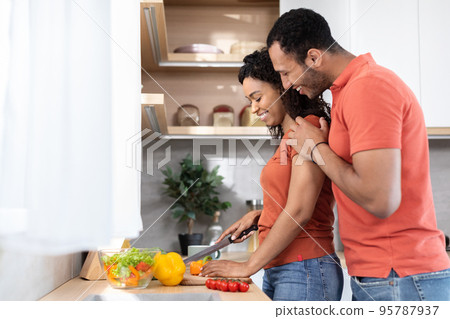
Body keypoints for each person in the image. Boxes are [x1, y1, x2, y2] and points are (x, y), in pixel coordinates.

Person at [266, 8, 450, 301]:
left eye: (286, 73)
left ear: (314, 57)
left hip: (399, 276)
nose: (286, 85)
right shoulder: (348, 91)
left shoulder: (368, 87)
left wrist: (316, 149)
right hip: (384, 276)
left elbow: (380, 200)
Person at [200, 48, 343, 301]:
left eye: (257, 97)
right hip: (285, 268)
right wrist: (262, 216)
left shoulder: (307, 128)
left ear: (282, 86)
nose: (254, 109)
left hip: (305, 266)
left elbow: (300, 210)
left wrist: (247, 266)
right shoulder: (290, 138)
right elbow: (293, 200)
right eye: (250, 101)